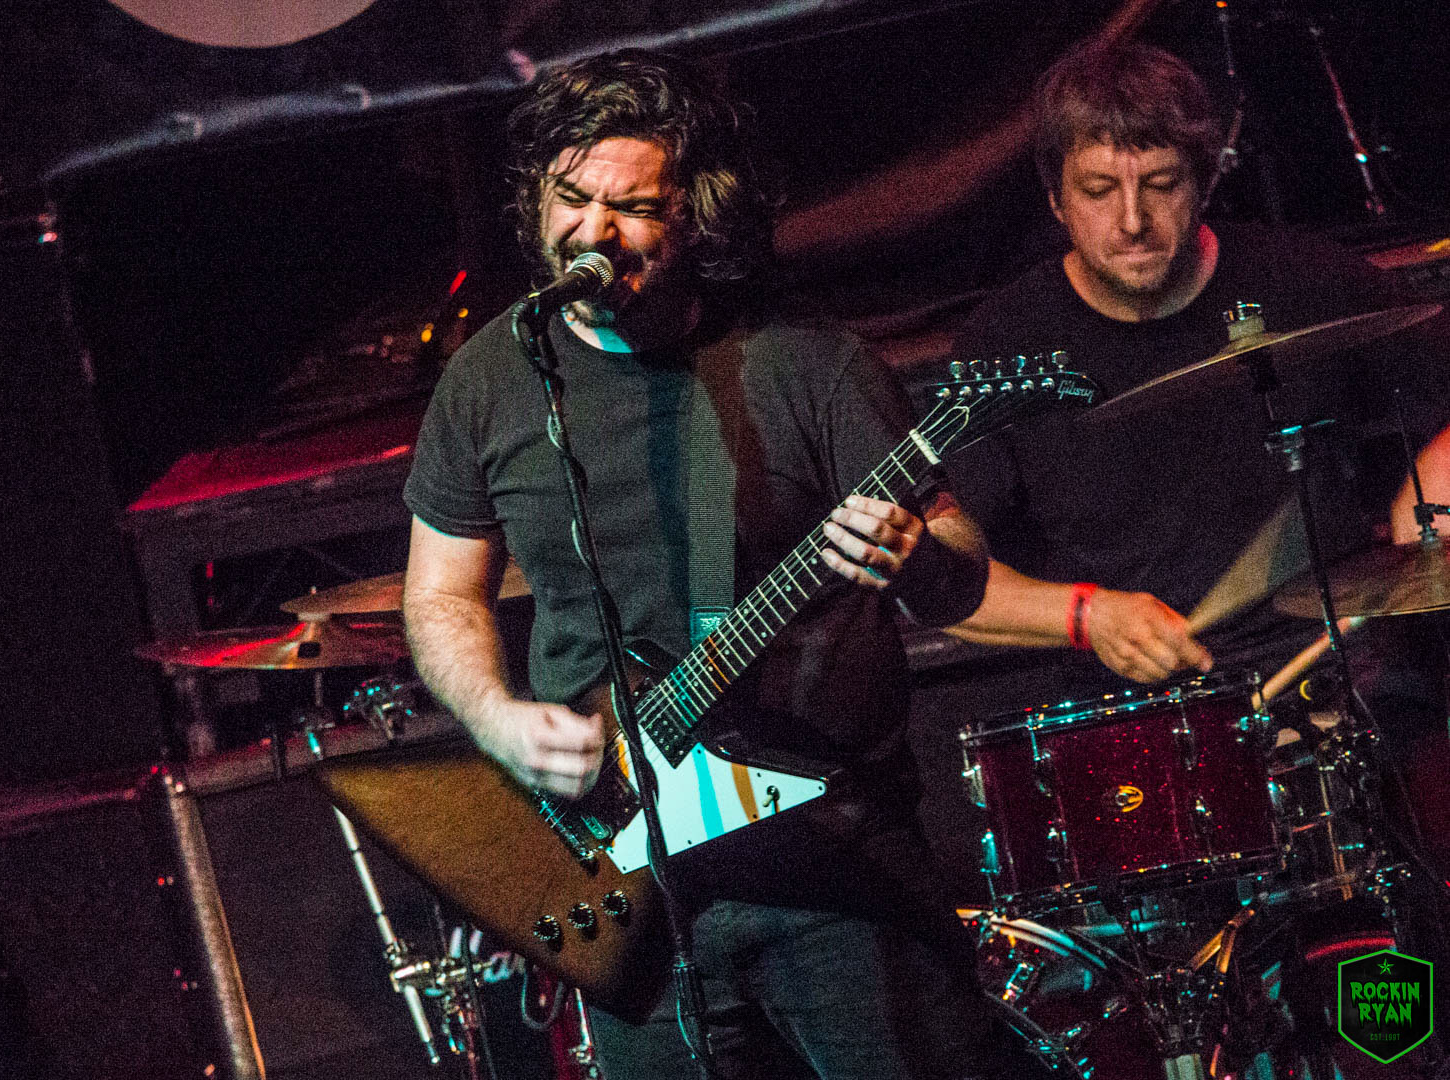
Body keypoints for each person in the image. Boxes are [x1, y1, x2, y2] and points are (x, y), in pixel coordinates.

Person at [401, 49, 1028, 1080]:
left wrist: (914, 552)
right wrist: (499, 719)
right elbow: (438, 595)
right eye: (570, 199)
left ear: (699, 216)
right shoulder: (490, 379)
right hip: (628, 886)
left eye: (633, 208)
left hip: (836, 871)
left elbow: (959, 571)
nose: (593, 233)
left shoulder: (808, 363)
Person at [938, 38, 1450, 1065]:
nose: (1132, 221)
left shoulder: (1305, 282)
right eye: (1099, 190)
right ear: (1054, 197)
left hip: (1335, 701)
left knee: (1390, 1019)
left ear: (1207, 177)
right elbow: (944, 583)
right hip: (1140, 753)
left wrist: (1427, 496)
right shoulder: (1004, 347)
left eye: (1161, 184)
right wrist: (1084, 614)